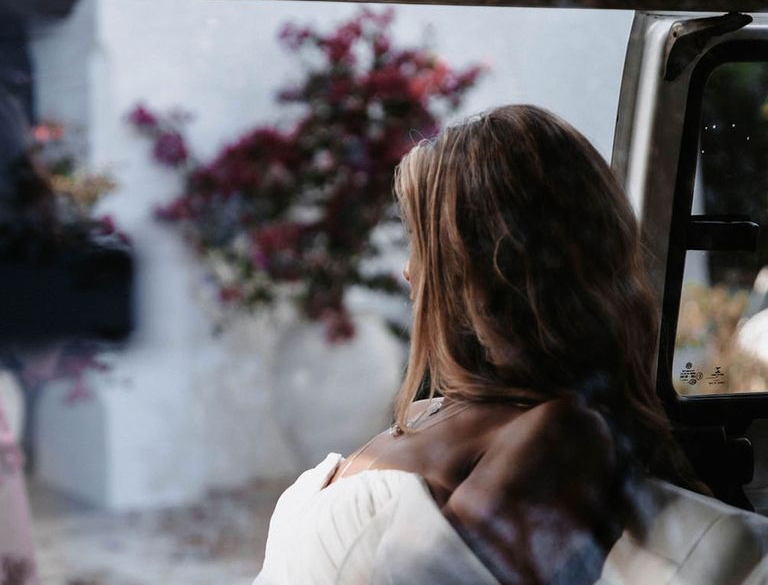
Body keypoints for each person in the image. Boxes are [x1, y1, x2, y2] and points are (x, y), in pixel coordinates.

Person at [253, 105, 767, 585]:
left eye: (423, 245)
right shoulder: (432, 410)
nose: (409, 271)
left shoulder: (557, 434)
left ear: (486, 267)